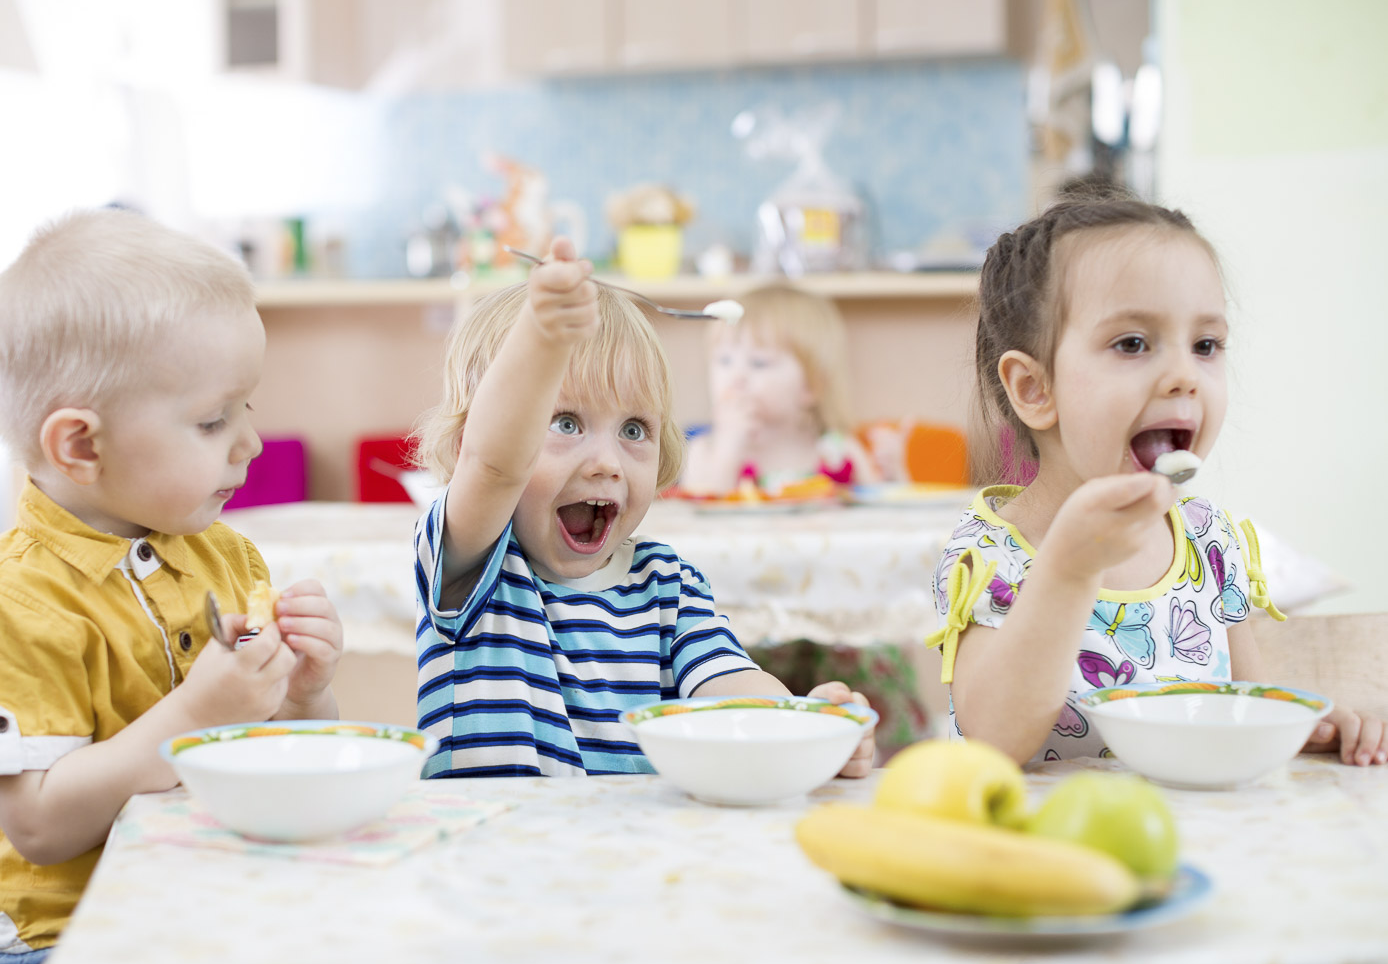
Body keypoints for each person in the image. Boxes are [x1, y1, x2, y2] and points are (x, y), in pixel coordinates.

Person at [0, 209, 345, 964]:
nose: (250, 443)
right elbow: (43, 828)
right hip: (62, 946)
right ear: (81, 446)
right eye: (214, 420)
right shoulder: (7, 607)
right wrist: (195, 715)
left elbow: (271, 752)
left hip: (212, 908)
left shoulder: (225, 556)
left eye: (244, 409)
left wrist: (305, 698)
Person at [927, 194, 1387, 766]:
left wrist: (1304, 729)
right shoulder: (993, 557)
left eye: (1205, 346)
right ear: (1033, 389)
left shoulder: (1207, 540)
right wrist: (1070, 566)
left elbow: (1245, 707)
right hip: (1036, 845)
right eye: (1133, 344)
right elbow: (993, 743)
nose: (1183, 376)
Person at [410, 238, 875, 777]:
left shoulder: (667, 583)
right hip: (484, 856)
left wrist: (804, 725)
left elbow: (729, 685)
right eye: (565, 423)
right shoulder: (470, 561)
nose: (607, 462)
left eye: (634, 429)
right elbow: (493, 465)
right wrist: (542, 338)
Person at [680, 283, 882, 495]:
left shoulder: (839, 452)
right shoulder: (704, 451)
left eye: (759, 363)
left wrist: (898, 474)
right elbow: (703, 514)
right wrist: (728, 448)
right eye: (724, 360)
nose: (736, 376)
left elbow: (881, 514)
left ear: (811, 386)